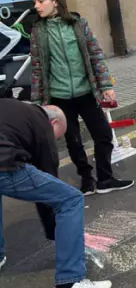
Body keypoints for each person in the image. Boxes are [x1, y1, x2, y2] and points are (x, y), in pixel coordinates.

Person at [29, 0, 134, 196]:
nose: (37, 6)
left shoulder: (78, 24)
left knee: (103, 135)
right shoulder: (38, 31)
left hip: (86, 91)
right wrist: (38, 102)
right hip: (59, 96)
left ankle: (105, 178)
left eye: (41, 1)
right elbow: (37, 68)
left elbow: (95, 55)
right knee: (73, 141)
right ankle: (87, 181)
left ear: (55, 1)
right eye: (35, 2)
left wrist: (105, 85)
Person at [0, 99, 112, 288]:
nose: (54, 141)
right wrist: (54, 230)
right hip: (4, 164)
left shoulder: (16, 109)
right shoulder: (42, 124)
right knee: (70, 199)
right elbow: (47, 180)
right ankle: (71, 280)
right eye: (57, 138)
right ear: (54, 123)